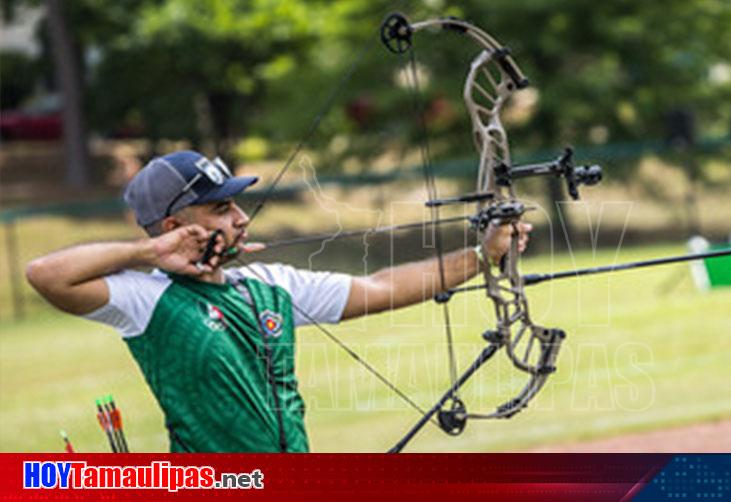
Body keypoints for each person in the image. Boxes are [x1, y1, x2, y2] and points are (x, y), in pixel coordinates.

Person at [25, 150, 531, 452]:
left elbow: (381, 286)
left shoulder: (269, 284)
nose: (241, 219)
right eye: (222, 208)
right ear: (174, 227)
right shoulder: (146, 300)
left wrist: (482, 256)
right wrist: (150, 252)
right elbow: (46, 275)